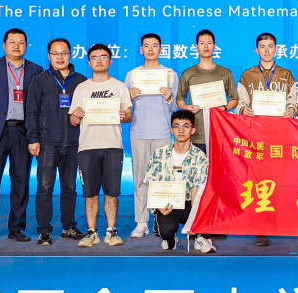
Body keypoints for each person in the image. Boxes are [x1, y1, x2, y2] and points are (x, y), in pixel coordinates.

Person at [0, 28, 44, 247]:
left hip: (23, 132)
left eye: (21, 42)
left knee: (21, 183)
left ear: (26, 46)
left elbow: (39, 105)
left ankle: (17, 228)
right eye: (12, 42)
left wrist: (36, 135)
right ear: (4, 45)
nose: (16, 46)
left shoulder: (36, 70)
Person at [235, 32, 296, 247]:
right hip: (255, 135)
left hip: (279, 135)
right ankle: (259, 227)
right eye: (262, 46)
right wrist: (244, 109)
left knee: (277, 179)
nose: (267, 50)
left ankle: (274, 220)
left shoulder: (286, 74)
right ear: (256, 50)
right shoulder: (247, 75)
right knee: (256, 180)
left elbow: (293, 101)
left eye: (270, 46)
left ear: (276, 49)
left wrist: (291, 109)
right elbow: (240, 102)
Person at [68, 44, 132, 248]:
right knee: (90, 193)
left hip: (113, 145)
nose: (99, 60)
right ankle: (92, 232)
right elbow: (73, 121)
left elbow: (129, 115)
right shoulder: (82, 88)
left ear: (110, 61)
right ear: (89, 62)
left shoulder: (120, 87)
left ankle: (111, 231)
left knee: (112, 192)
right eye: (94, 57)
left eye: (103, 57)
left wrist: (123, 115)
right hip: (87, 147)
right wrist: (76, 114)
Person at [25, 37, 86, 245]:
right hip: (47, 143)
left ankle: (68, 227)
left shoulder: (81, 81)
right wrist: (33, 139)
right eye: (55, 53)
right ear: (49, 56)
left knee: (69, 188)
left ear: (71, 54)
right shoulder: (40, 80)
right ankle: (44, 230)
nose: (60, 57)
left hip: (74, 143)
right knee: (45, 188)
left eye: (64, 53)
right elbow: (31, 112)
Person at [125, 33, 179, 239]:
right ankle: (141, 222)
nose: (150, 49)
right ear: (141, 50)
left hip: (162, 132)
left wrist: (169, 98)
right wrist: (130, 97)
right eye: (146, 46)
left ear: (160, 49)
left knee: (163, 179)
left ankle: (161, 221)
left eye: (154, 46)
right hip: (139, 132)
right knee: (140, 179)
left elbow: (175, 108)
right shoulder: (132, 75)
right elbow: (125, 107)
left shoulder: (170, 74)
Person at [143, 110, 216, 253]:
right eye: (176, 126)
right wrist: (159, 206)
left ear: (193, 130)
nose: (181, 130)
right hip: (167, 203)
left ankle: (201, 237)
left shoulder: (200, 157)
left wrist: (195, 221)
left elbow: (196, 190)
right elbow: (151, 183)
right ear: (171, 130)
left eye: (186, 126)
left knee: (209, 207)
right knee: (164, 230)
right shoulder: (159, 153)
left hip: (190, 202)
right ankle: (169, 238)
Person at [176, 29, 238, 153]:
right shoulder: (188, 73)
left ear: (214, 46)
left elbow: (234, 99)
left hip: (219, 130)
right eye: (202, 43)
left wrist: (223, 108)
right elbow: (180, 100)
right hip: (196, 132)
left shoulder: (225, 72)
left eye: (209, 43)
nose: (206, 46)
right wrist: (187, 108)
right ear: (196, 46)